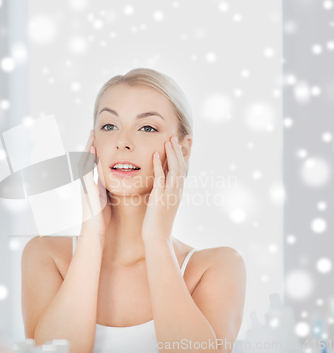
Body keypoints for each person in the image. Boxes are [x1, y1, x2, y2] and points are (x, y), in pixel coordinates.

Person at [21, 68, 247, 353]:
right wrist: (91, 234)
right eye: (109, 126)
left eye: (147, 128)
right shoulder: (46, 257)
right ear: (93, 143)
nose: (123, 142)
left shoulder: (216, 268)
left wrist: (157, 240)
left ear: (183, 149)